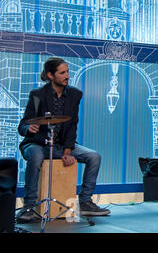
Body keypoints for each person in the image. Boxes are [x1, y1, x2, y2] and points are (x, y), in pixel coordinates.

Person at [16, 57, 110, 222]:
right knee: (36, 156)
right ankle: (29, 206)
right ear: (51, 75)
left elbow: (73, 125)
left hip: (61, 145)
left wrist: (67, 151)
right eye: (62, 73)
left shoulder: (74, 95)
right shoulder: (37, 95)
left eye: (67, 71)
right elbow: (22, 125)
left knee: (94, 156)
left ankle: (86, 201)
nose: (67, 75)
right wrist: (29, 128)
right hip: (36, 143)